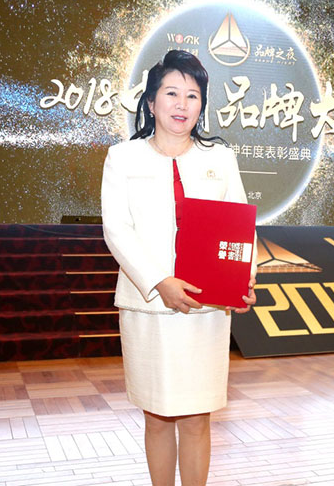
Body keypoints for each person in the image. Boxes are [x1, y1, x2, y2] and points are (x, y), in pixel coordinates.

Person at [101, 50, 257, 486]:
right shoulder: (122, 158)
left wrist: (243, 280)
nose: (182, 104)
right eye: (171, 93)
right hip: (148, 306)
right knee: (156, 417)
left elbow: (241, 227)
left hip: (204, 310)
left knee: (196, 418)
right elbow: (117, 230)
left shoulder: (220, 158)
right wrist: (159, 282)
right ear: (151, 101)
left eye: (192, 95)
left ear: (202, 104)